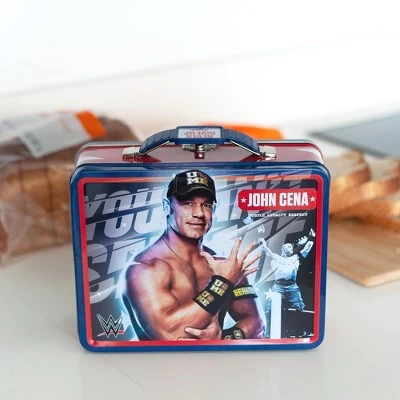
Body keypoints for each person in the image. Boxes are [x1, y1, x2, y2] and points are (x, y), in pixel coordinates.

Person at [123, 169, 265, 341]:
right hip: (162, 359)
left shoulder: (225, 266)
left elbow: (258, 324)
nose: (199, 213)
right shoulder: (144, 269)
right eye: (188, 203)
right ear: (167, 207)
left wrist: (224, 338)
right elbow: (170, 335)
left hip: (220, 359)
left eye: (206, 205)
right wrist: (221, 284)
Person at [259, 228, 315, 311]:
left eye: (291, 247)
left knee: (299, 308)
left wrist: (312, 237)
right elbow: (264, 249)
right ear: (283, 249)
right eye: (289, 247)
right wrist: (262, 237)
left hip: (292, 287)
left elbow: (307, 248)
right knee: (270, 308)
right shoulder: (276, 258)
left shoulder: (295, 258)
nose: (291, 248)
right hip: (278, 287)